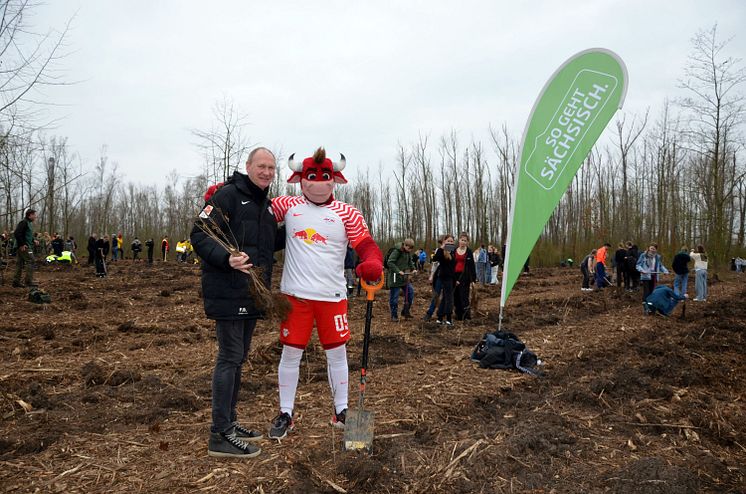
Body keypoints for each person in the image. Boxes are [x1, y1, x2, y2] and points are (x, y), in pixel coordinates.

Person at [266, 147, 383, 441]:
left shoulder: (347, 212)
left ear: (335, 179)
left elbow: (365, 243)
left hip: (332, 296)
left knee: (337, 353)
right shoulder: (287, 205)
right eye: (311, 177)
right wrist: (224, 198)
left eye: (324, 177)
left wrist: (372, 263)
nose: (317, 183)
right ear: (300, 179)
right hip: (295, 296)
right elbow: (255, 209)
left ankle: (342, 410)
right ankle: (285, 413)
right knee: (291, 352)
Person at [191, 147, 285, 459]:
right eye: (262, 166)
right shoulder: (227, 196)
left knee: (239, 356)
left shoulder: (266, 205)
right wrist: (227, 258)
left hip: (253, 293)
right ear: (248, 167)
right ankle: (219, 433)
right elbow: (199, 232)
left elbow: (269, 243)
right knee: (230, 357)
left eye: (272, 168)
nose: (267, 172)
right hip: (228, 290)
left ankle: (229, 423)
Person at [386, 238, 416, 321]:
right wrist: (398, 271)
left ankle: (405, 311)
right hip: (395, 277)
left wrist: (413, 269)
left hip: (404, 278)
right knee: (394, 298)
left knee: (410, 293)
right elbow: (390, 262)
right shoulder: (397, 251)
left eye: (411, 248)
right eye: (409, 248)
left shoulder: (408, 253)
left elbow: (410, 262)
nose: (410, 250)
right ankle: (394, 315)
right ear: (405, 245)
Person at [433, 234, 456, 324]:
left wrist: (455, 279)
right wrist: (441, 248)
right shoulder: (441, 251)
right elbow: (435, 259)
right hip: (444, 277)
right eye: (448, 241)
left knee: (445, 297)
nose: (450, 242)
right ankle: (449, 318)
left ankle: (439, 317)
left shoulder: (452, 252)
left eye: (451, 241)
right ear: (444, 241)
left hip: (451, 277)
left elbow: (453, 267)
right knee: (449, 298)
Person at [453, 233, 476, 320]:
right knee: (456, 295)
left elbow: (471, 265)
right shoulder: (454, 250)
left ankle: (466, 315)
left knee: (464, 295)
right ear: (459, 240)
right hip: (455, 275)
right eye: (462, 240)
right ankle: (458, 314)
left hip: (464, 276)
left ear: (467, 242)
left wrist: (473, 279)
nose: (463, 242)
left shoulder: (469, 251)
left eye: (465, 241)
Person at [12, 209, 37, 288]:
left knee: (19, 263)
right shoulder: (24, 222)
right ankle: (28, 282)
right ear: (30, 215)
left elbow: (27, 235)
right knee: (31, 260)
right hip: (24, 247)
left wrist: (34, 240)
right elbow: (17, 233)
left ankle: (16, 282)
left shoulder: (29, 223)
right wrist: (22, 244)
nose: (35, 216)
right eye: (34, 215)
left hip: (24, 246)